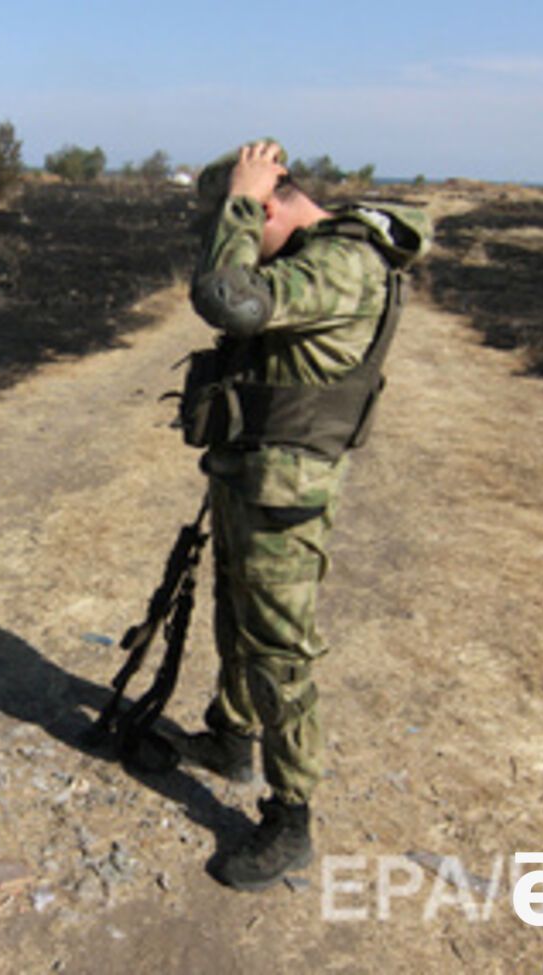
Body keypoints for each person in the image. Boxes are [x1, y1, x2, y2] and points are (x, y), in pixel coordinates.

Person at [173, 140, 432, 891]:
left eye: (251, 218)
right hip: (253, 468)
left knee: (279, 650)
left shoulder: (342, 263)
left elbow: (228, 298)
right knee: (234, 609)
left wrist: (242, 200)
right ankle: (231, 735)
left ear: (278, 198)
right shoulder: (316, 255)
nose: (239, 239)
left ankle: (291, 817)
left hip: (287, 488)